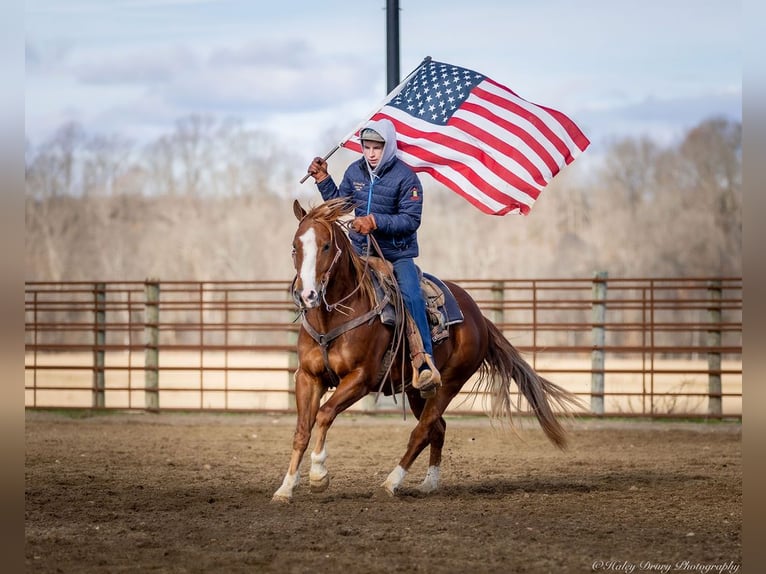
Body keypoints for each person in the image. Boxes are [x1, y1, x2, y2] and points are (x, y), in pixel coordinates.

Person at [306, 118, 441, 392]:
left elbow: (410, 219)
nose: (371, 153)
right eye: (367, 146)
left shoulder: (406, 177)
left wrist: (375, 221)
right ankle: (323, 350)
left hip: (397, 255)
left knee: (412, 295)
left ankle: (423, 360)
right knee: (327, 282)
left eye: (376, 147)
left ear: (388, 146)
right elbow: (340, 206)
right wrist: (323, 180)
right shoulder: (355, 172)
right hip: (359, 252)